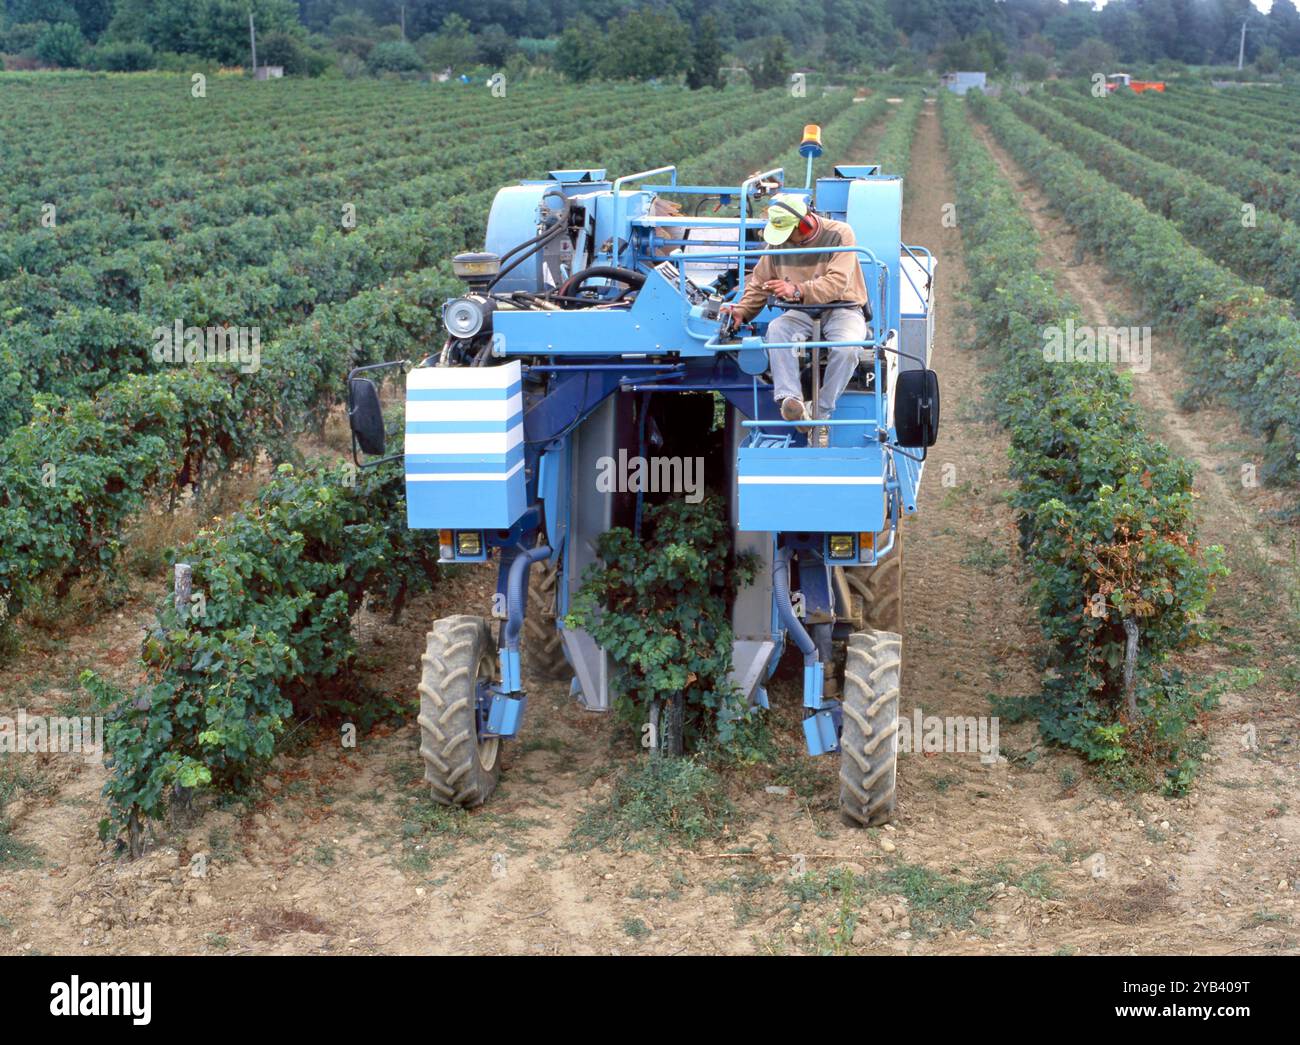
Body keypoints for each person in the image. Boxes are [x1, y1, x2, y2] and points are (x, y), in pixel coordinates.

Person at [720, 193, 870, 443]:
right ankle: (791, 401)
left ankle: (820, 414)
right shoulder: (777, 245)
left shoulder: (840, 233)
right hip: (801, 311)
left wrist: (797, 290)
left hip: (843, 308)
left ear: (806, 224)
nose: (785, 241)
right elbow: (759, 283)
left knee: (847, 348)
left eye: (789, 233)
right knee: (777, 329)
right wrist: (742, 311)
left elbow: (836, 283)